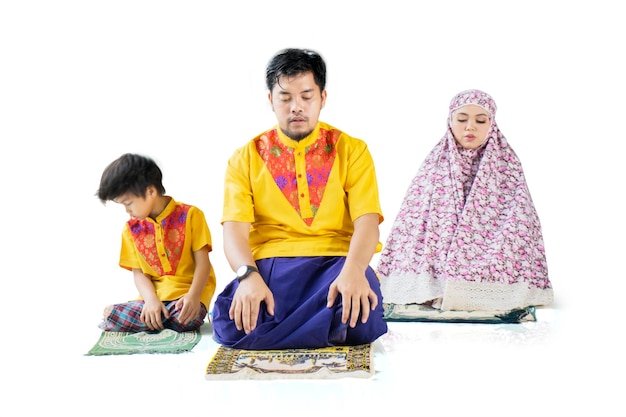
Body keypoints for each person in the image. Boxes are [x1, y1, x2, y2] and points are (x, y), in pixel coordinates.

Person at [212, 48, 388, 349]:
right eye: (285, 97)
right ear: (270, 100)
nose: (297, 107)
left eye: (307, 96)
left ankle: (283, 329)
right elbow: (234, 233)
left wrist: (354, 271)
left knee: (363, 305)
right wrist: (248, 277)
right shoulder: (245, 158)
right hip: (271, 266)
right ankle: (326, 329)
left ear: (323, 98)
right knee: (228, 321)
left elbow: (367, 224)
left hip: (335, 263)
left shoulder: (352, 150)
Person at [376, 89, 554, 312]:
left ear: (492, 124)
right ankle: (436, 284)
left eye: (481, 120)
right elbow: (415, 215)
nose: (470, 127)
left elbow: (521, 214)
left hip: (492, 247)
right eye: (462, 119)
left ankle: (479, 287)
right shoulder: (435, 164)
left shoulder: (507, 163)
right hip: (439, 249)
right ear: (450, 121)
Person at [96, 153, 217, 332]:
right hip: (152, 300)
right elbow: (139, 274)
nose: (127, 211)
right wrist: (151, 300)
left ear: (150, 191)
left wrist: (193, 296)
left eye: (128, 203)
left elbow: (203, 264)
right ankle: (152, 318)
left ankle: (143, 321)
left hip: (186, 299)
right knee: (111, 312)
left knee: (187, 317)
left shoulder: (192, 215)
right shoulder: (130, 229)